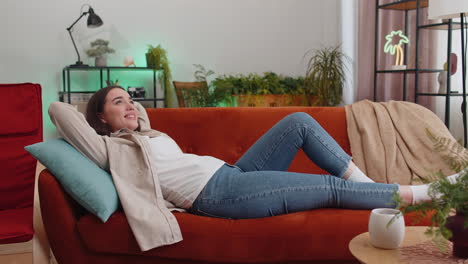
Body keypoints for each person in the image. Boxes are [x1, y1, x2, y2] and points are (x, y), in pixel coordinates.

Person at [49, 86, 461, 248]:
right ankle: (422, 194)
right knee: (326, 187)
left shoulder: (147, 136)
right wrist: (107, 115)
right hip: (217, 195)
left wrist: (128, 106)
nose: (130, 107)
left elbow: (138, 115)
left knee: (298, 123)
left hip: (234, 173)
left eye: (130, 99)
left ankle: (370, 187)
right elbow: (59, 111)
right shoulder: (106, 148)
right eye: (117, 103)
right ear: (100, 119)